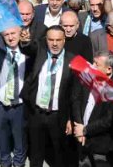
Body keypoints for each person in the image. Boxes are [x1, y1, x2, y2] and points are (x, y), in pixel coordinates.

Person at [22, 25, 78, 167]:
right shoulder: (40, 52)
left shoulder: (72, 61)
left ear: (64, 40)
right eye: (51, 39)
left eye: (58, 40)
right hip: (36, 112)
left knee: (58, 153)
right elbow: (28, 47)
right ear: (46, 40)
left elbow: (74, 94)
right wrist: (25, 41)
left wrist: (71, 119)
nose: (54, 43)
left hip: (58, 115)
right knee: (36, 152)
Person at [0, 26, 29, 167]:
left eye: (13, 33)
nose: (10, 37)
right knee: (1, 139)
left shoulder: (28, 52)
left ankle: (19, 163)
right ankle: (4, 163)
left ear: (20, 33)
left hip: (20, 105)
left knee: (19, 139)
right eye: (6, 35)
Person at [71, 51, 113, 167]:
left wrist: (85, 130)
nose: (92, 66)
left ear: (108, 69)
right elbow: (76, 99)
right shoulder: (86, 76)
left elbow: (108, 120)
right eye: (93, 62)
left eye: (97, 64)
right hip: (81, 139)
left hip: (100, 147)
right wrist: (79, 127)